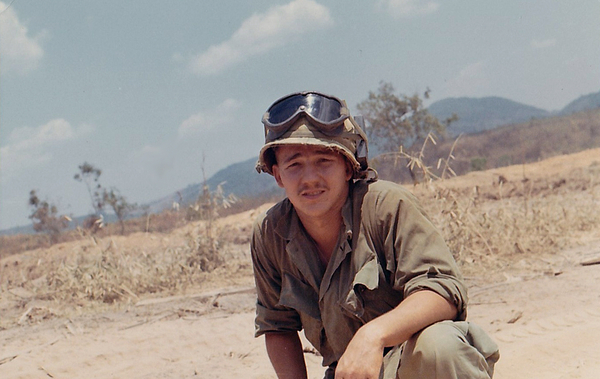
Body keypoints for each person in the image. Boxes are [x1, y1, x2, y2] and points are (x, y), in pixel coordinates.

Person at [251, 91, 499, 379]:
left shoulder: (386, 206)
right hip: (350, 374)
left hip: (412, 365)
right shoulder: (271, 233)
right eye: (294, 165)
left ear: (348, 166)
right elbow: (277, 327)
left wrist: (374, 335)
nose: (309, 178)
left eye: (323, 161)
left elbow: (443, 292)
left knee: (441, 346)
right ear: (278, 175)